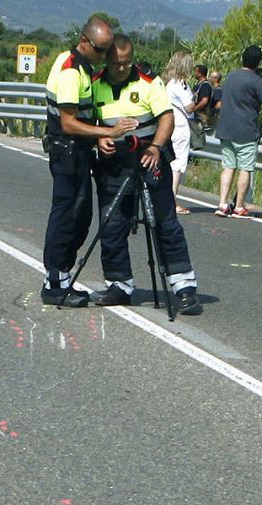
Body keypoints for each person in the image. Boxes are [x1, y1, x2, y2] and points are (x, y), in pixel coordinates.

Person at [88, 36, 202, 315]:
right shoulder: (94, 85)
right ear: (107, 61)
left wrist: (155, 147)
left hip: (150, 161)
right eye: (115, 64)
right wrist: (99, 140)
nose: (121, 68)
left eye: (126, 63)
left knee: (165, 224)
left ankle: (184, 288)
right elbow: (87, 123)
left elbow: (167, 118)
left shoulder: (150, 83)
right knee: (112, 223)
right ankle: (119, 284)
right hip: (114, 164)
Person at [41, 18, 133, 307]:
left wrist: (96, 140)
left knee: (80, 217)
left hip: (78, 153)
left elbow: (82, 118)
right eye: (102, 50)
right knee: (67, 216)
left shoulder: (82, 66)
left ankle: (62, 278)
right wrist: (108, 132)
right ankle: (54, 284)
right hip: (67, 152)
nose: (105, 56)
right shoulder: (70, 70)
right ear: (85, 42)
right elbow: (68, 123)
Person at [213, 46, 262, 217]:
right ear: (259, 61)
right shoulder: (256, 81)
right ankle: (238, 207)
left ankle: (222, 204)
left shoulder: (231, 76)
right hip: (245, 131)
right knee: (245, 168)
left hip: (225, 129)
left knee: (228, 167)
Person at [162, 52, 196, 214]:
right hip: (180, 125)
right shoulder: (179, 85)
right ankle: (172, 200)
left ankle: (167, 199)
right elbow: (189, 106)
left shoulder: (169, 83)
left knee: (172, 163)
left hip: (171, 124)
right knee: (178, 164)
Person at [190, 64, 213, 130]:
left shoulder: (205, 85)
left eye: (195, 72)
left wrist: (194, 109)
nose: (194, 73)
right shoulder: (198, 85)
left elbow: (204, 101)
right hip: (196, 115)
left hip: (201, 116)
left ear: (200, 73)